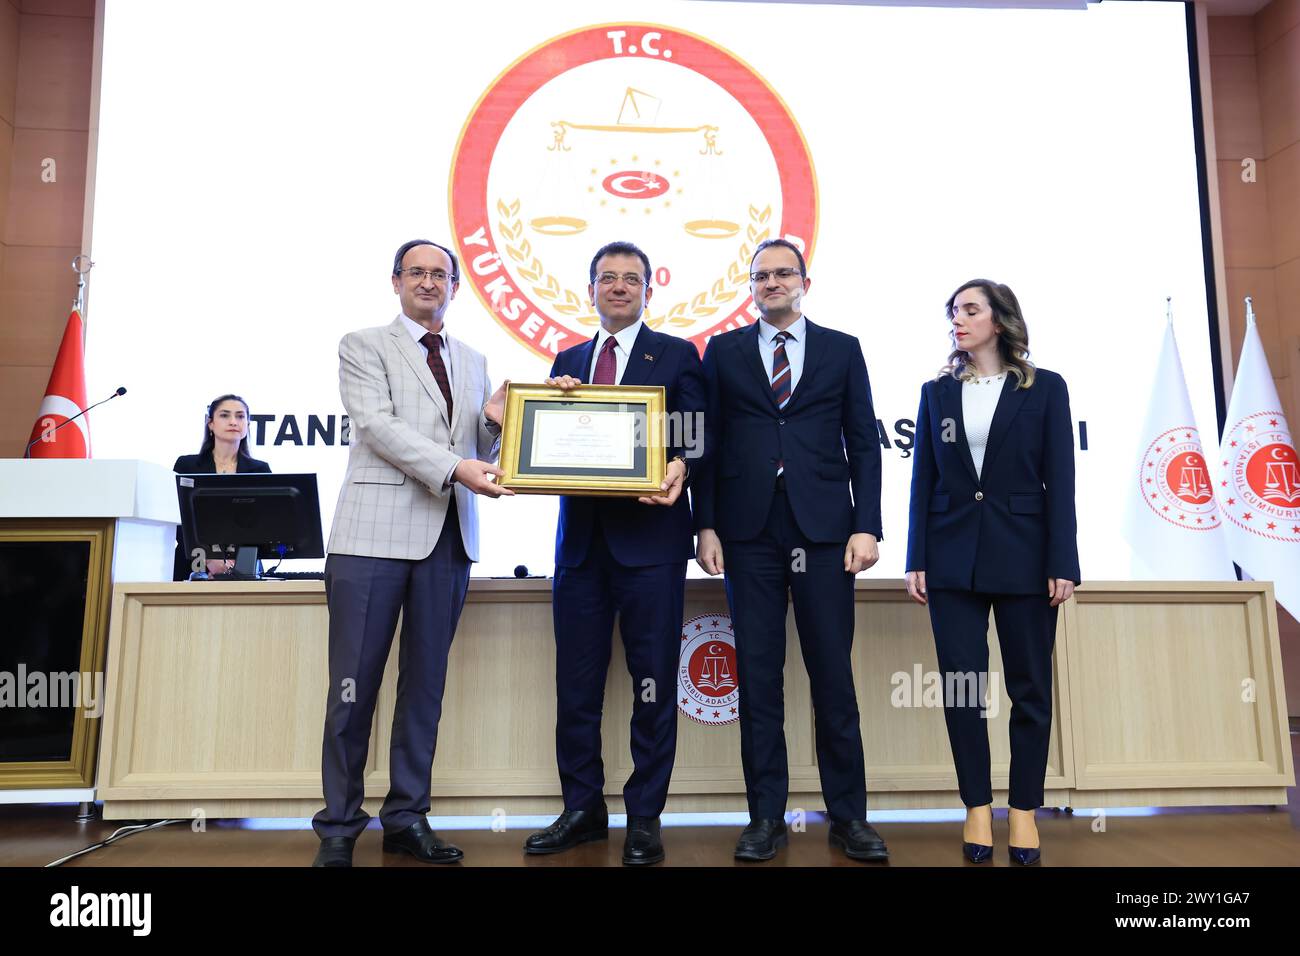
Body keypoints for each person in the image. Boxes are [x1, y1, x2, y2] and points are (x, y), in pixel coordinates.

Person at [311, 239, 512, 867]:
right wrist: (458, 465)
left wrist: (503, 421)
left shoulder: (474, 357)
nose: (429, 282)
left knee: (425, 688)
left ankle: (406, 817)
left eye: (440, 274)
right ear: (396, 281)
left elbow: (476, 443)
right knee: (353, 688)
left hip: (447, 540)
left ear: (455, 287)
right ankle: (340, 827)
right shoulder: (363, 344)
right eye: (417, 272)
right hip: (372, 539)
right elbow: (377, 426)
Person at [693, 238, 888, 863]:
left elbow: (863, 441)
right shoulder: (720, 352)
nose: (772, 282)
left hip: (827, 533)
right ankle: (765, 818)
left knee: (833, 673)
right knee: (757, 677)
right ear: (749, 286)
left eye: (783, 273)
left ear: (806, 281)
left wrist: (868, 526)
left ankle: (849, 817)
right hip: (747, 534)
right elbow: (706, 444)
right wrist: (706, 525)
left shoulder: (842, 349)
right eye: (760, 275)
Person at [523, 241, 706, 866]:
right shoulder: (568, 359)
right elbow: (542, 445)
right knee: (575, 687)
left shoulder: (678, 355)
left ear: (648, 291)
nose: (620, 287)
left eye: (632, 279)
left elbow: (697, 431)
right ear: (591, 287)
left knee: (652, 684)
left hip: (651, 547)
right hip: (579, 550)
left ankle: (645, 816)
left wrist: (679, 463)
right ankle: (582, 810)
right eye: (609, 278)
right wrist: (554, 406)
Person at [903, 278, 1079, 865]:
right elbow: (923, 481)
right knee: (962, 689)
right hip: (952, 560)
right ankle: (977, 806)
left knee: (1029, 688)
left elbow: (1061, 482)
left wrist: (1063, 561)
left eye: (970, 310)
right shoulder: (936, 393)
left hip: (1027, 559)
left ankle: (1024, 809)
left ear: (998, 321)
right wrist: (917, 558)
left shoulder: (1046, 389)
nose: (958, 320)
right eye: (953, 312)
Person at [172, 394, 271, 580]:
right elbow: (179, 520)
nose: (233, 421)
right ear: (211, 423)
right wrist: (210, 559)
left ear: (247, 425)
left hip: (245, 567)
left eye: (240, 416)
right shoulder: (187, 465)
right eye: (225, 415)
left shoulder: (260, 469)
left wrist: (235, 562)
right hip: (192, 565)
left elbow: (264, 525)